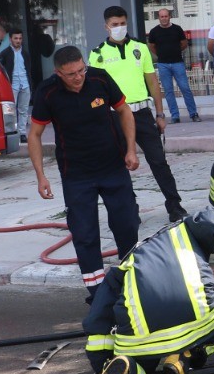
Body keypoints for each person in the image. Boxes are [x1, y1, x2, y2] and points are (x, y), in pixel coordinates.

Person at [83, 208, 214, 374]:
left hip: (141, 331)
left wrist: (100, 363)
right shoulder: (187, 228)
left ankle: (129, 372)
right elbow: (212, 220)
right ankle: (186, 356)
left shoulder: (130, 259)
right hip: (199, 314)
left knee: (141, 363)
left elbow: (99, 313)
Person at [28, 45, 141, 297]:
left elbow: (124, 111)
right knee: (84, 233)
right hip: (76, 174)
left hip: (113, 167)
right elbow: (34, 135)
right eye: (71, 74)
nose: (79, 77)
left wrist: (131, 149)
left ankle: (130, 282)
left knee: (127, 224)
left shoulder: (99, 78)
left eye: (81, 70)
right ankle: (97, 291)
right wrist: (40, 175)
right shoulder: (47, 93)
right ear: (58, 73)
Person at [89, 5, 186, 222]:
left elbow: (152, 81)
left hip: (142, 113)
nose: (119, 28)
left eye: (123, 24)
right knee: (119, 166)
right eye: (115, 25)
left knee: (159, 161)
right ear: (106, 27)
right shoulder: (97, 54)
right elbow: (94, 89)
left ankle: (175, 206)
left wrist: (160, 115)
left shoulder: (140, 48)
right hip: (114, 116)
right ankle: (130, 209)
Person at [146, 7, 200, 123]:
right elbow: (151, 46)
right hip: (163, 64)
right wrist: (161, 53)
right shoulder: (154, 31)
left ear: (169, 16)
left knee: (185, 89)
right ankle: (175, 116)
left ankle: (193, 114)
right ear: (158, 18)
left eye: (166, 16)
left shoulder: (177, 29)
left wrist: (175, 51)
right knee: (168, 91)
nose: (164, 18)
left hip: (177, 63)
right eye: (162, 16)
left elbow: (184, 44)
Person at [0, 29, 31, 146]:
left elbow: (29, 69)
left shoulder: (25, 53)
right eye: (16, 38)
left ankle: (22, 133)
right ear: (11, 39)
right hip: (12, 85)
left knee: (23, 110)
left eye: (20, 38)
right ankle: (13, 132)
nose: (18, 41)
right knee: (11, 111)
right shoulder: (5, 53)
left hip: (25, 84)